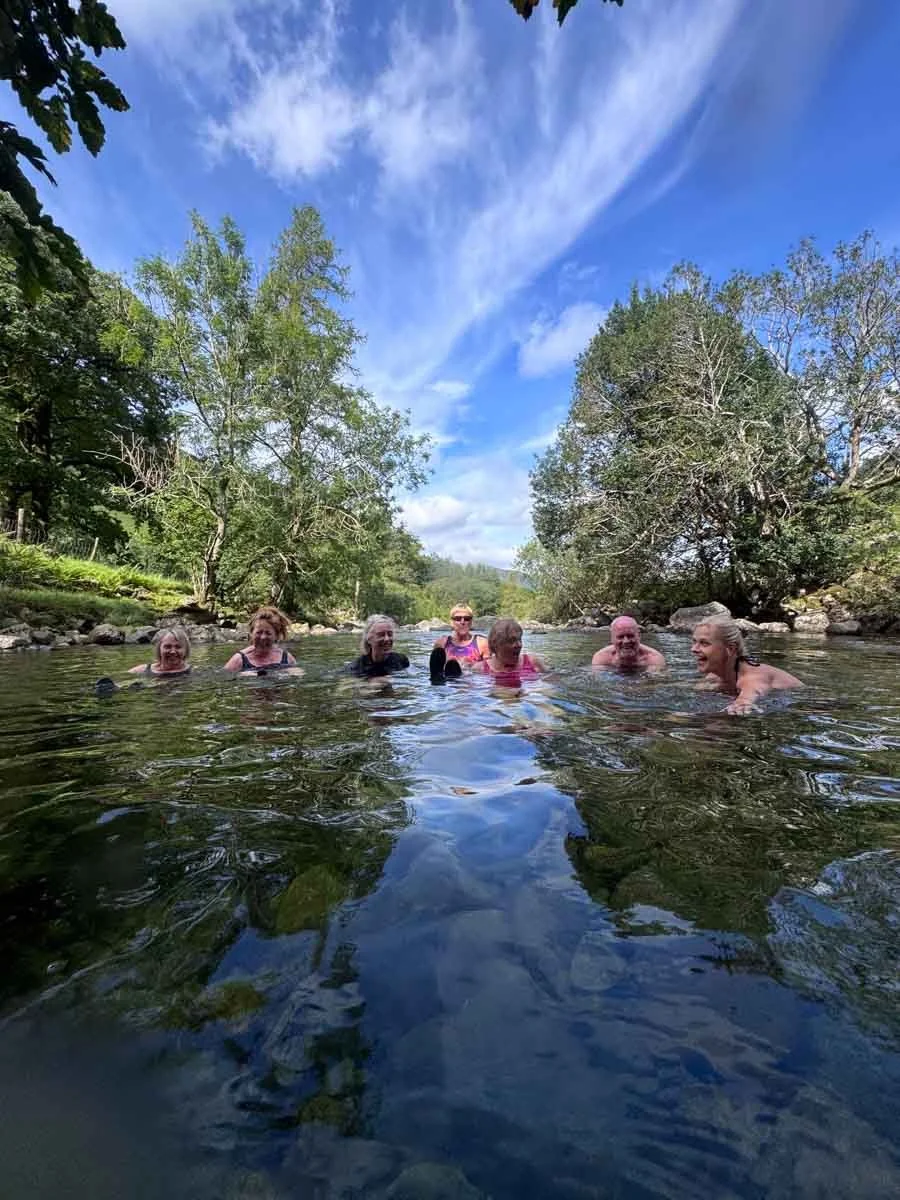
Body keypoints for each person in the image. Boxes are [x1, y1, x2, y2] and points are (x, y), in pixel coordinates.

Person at [692, 615, 802, 714]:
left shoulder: (753, 678)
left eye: (704, 643)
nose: (694, 649)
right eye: (694, 642)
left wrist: (742, 703)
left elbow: (746, 701)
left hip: (803, 705)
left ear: (730, 649)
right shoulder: (714, 677)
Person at [224, 606, 299, 674]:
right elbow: (224, 678)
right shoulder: (239, 660)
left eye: (268, 633)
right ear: (251, 633)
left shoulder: (286, 659)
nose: (263, 637)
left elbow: (298, 678)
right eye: (259, 632)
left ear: (276, 636)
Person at [479, 618, 547, 684]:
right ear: (496, 644)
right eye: (512, 641)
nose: (519, 645)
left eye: (519, 639)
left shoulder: (533, 662)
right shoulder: (480, 669)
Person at [591, 615, 666, 673]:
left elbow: (655, 684)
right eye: (620, 637)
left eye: (630, 636)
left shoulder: (653, 659)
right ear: (612, 639)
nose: (626, 641)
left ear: (639, 636)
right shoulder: (602, 658)